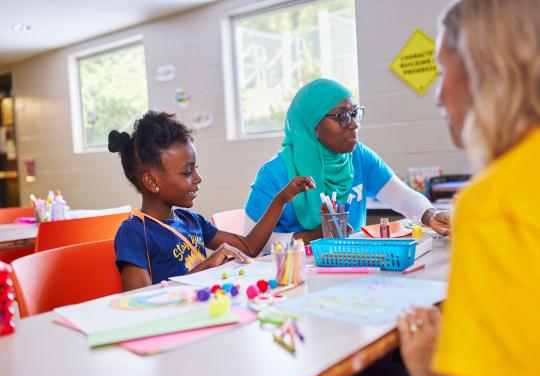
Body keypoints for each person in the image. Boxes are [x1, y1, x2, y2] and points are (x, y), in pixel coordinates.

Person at [397, 1, 540, 376]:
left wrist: (429, 372)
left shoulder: (496, 202)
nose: (438, 95)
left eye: (444, 69)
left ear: (487, 69)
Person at [109, 111, 314, 291]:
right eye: (188, 172)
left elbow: (249, 247)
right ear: (152, 182)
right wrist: (206, 266)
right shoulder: (135, 232)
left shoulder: (191, 221)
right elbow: (139, 299)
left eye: (196, 169)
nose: (197, 179)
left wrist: (281, 199)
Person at [245, 79, 449, 250]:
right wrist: (309, 237)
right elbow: (249, 244)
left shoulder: (357, 155)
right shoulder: (274, 175)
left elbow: (402, 196)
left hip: (349, 268)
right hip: (289, 279)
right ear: (311, 124)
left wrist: (430, 215)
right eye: (341, 116)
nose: (353, 124)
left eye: (354, 114)